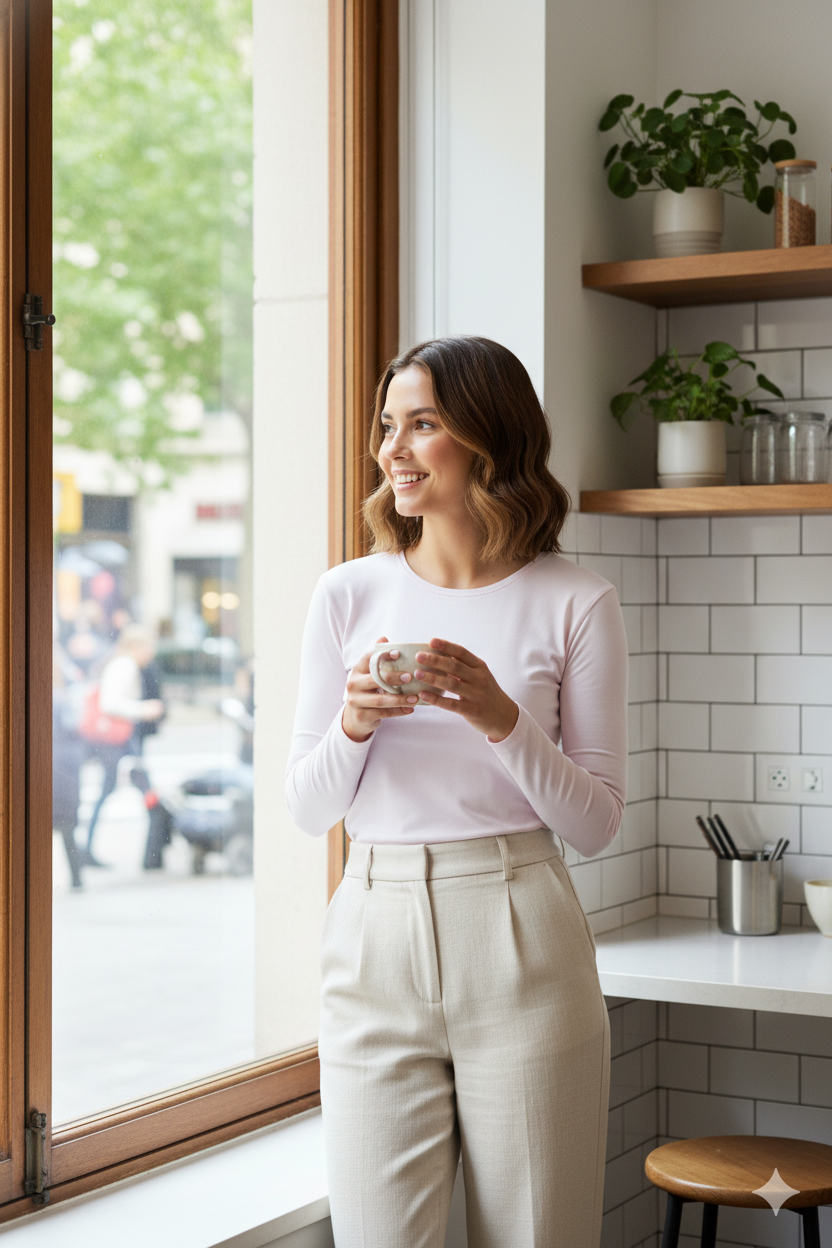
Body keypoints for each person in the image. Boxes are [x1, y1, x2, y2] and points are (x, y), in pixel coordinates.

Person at [286, 337, 628, 1248]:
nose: (392, 449)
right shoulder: (345, 595)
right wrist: (353, 726)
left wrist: (501, 716)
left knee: (539, 1236)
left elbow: (594, 823)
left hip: (522, 929)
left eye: (423, 424)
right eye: (387, 425)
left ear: (487, 437)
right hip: (372, 935)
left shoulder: (576, 600)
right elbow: (307, 808)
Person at [82, 624, 166, 868]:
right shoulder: (126, 666)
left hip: (119, 743)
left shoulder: (122, 664)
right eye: (148, 646)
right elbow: (110, 704)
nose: (151, 652)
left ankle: (152, 851)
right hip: (118, 743)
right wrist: (144, 709)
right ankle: (153, 852)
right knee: (138, 790)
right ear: (136, 646)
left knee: (115, 790)